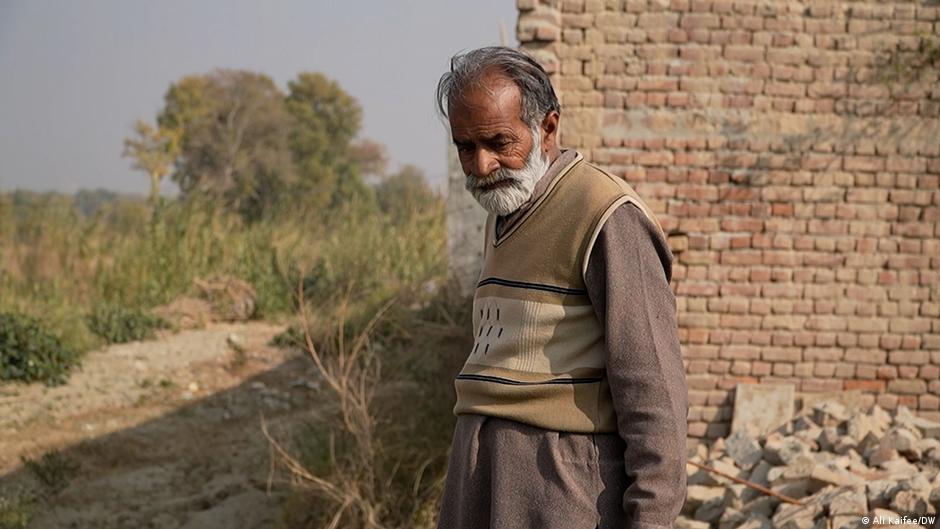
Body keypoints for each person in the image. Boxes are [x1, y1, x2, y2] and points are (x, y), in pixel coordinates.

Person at [434, 46, 689, 529]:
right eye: (466, 147)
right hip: (480, 485)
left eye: (499, 142)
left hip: (560, 491)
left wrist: (651, 519)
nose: (482, 165)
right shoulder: (503, 210)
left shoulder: (605, 214)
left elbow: (653, 392)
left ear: (547, 128)